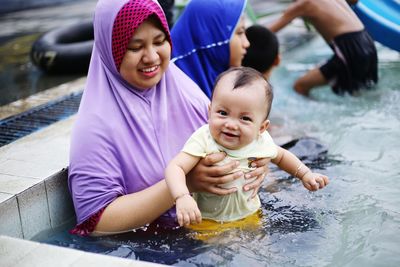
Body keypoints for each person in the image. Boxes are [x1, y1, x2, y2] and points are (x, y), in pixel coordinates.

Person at [68, 0, 269, 236]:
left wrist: (255, 162)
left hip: (218, 225)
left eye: (159, 41)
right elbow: (96, 222)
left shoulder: (185, 92)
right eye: (135, 47)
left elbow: (228, 142)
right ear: (111, 49)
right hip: (155, 246)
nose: (151, 56)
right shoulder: (95, 126)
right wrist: (185, 184)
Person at [165, 67, 329, 227]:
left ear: (262, 128)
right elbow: (176, 167)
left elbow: (281, 156)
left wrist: (305, 174)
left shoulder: (260, 141)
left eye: (244, 118)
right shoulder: (204, 139)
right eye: (222, 113)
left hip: (250, 214)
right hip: (207, 221)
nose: (230, 124)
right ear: (209, 112)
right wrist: (182, 196)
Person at [268, 0, 378, 96]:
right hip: (368, 42)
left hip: (350, 48)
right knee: (358, 91)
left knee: (300, 86)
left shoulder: (304, 4)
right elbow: (354, 1)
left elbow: (268, 31)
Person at [171, 0, 250, 98]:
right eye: (239, 33)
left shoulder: (218, 76)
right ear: (212, 37)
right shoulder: (173, 86)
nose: (246, 43)